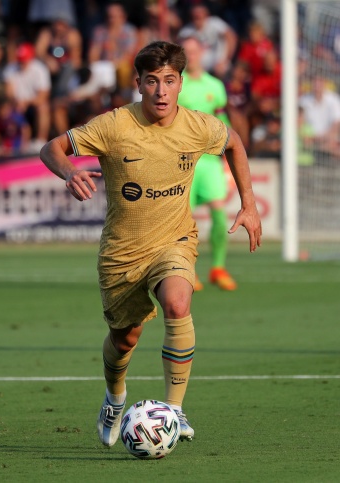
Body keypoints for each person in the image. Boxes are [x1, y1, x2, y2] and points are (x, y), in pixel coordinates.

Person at [39, 41, 262, 447]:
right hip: (122, 252)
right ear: (139, 84)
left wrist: (248, 203)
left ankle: (174, 411)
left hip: (174, 241)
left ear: (181, 84)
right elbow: (51, 147)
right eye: (153, 81)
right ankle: (114, 397)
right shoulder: (113, 125)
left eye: (170, 81)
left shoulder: (198, 126)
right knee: (125, 338)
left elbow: (234, 143)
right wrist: (70, 172)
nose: (162, 90)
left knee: (178, 303)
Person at [178, 35, 238, 291]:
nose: (191, 56)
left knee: (219, 214)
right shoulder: (176, 84)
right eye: (186, 52)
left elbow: (223, 120)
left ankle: (218, 268)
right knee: (183, 221)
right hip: (183, 161)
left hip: (210, 161)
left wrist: (230, 151)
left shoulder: (215, 85)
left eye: (194, 51)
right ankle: (187, 271)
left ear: (202, 52)